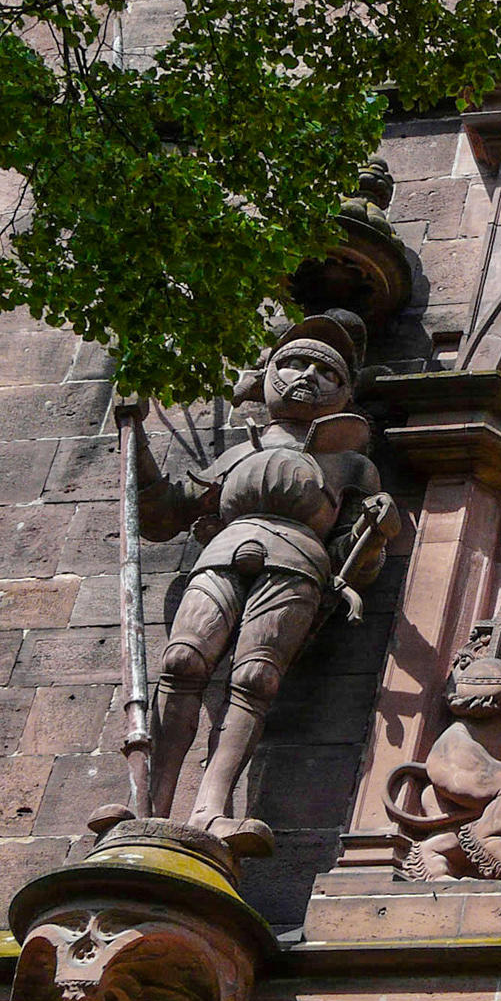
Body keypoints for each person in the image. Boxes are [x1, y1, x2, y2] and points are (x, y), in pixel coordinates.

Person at [134, 308, 399, 836]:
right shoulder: (238, 454)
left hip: (298, 562)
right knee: (182, 661)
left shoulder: (352, 465)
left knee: (255, 677)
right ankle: (148, 807)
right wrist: (136, 436)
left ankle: (211, 808)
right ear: (266, 375)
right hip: (224, 549)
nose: (309, 376)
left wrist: (376, 529)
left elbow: (356, 558)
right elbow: (161, 513)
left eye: (327, 372)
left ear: (347, 393)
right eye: (295, 363)